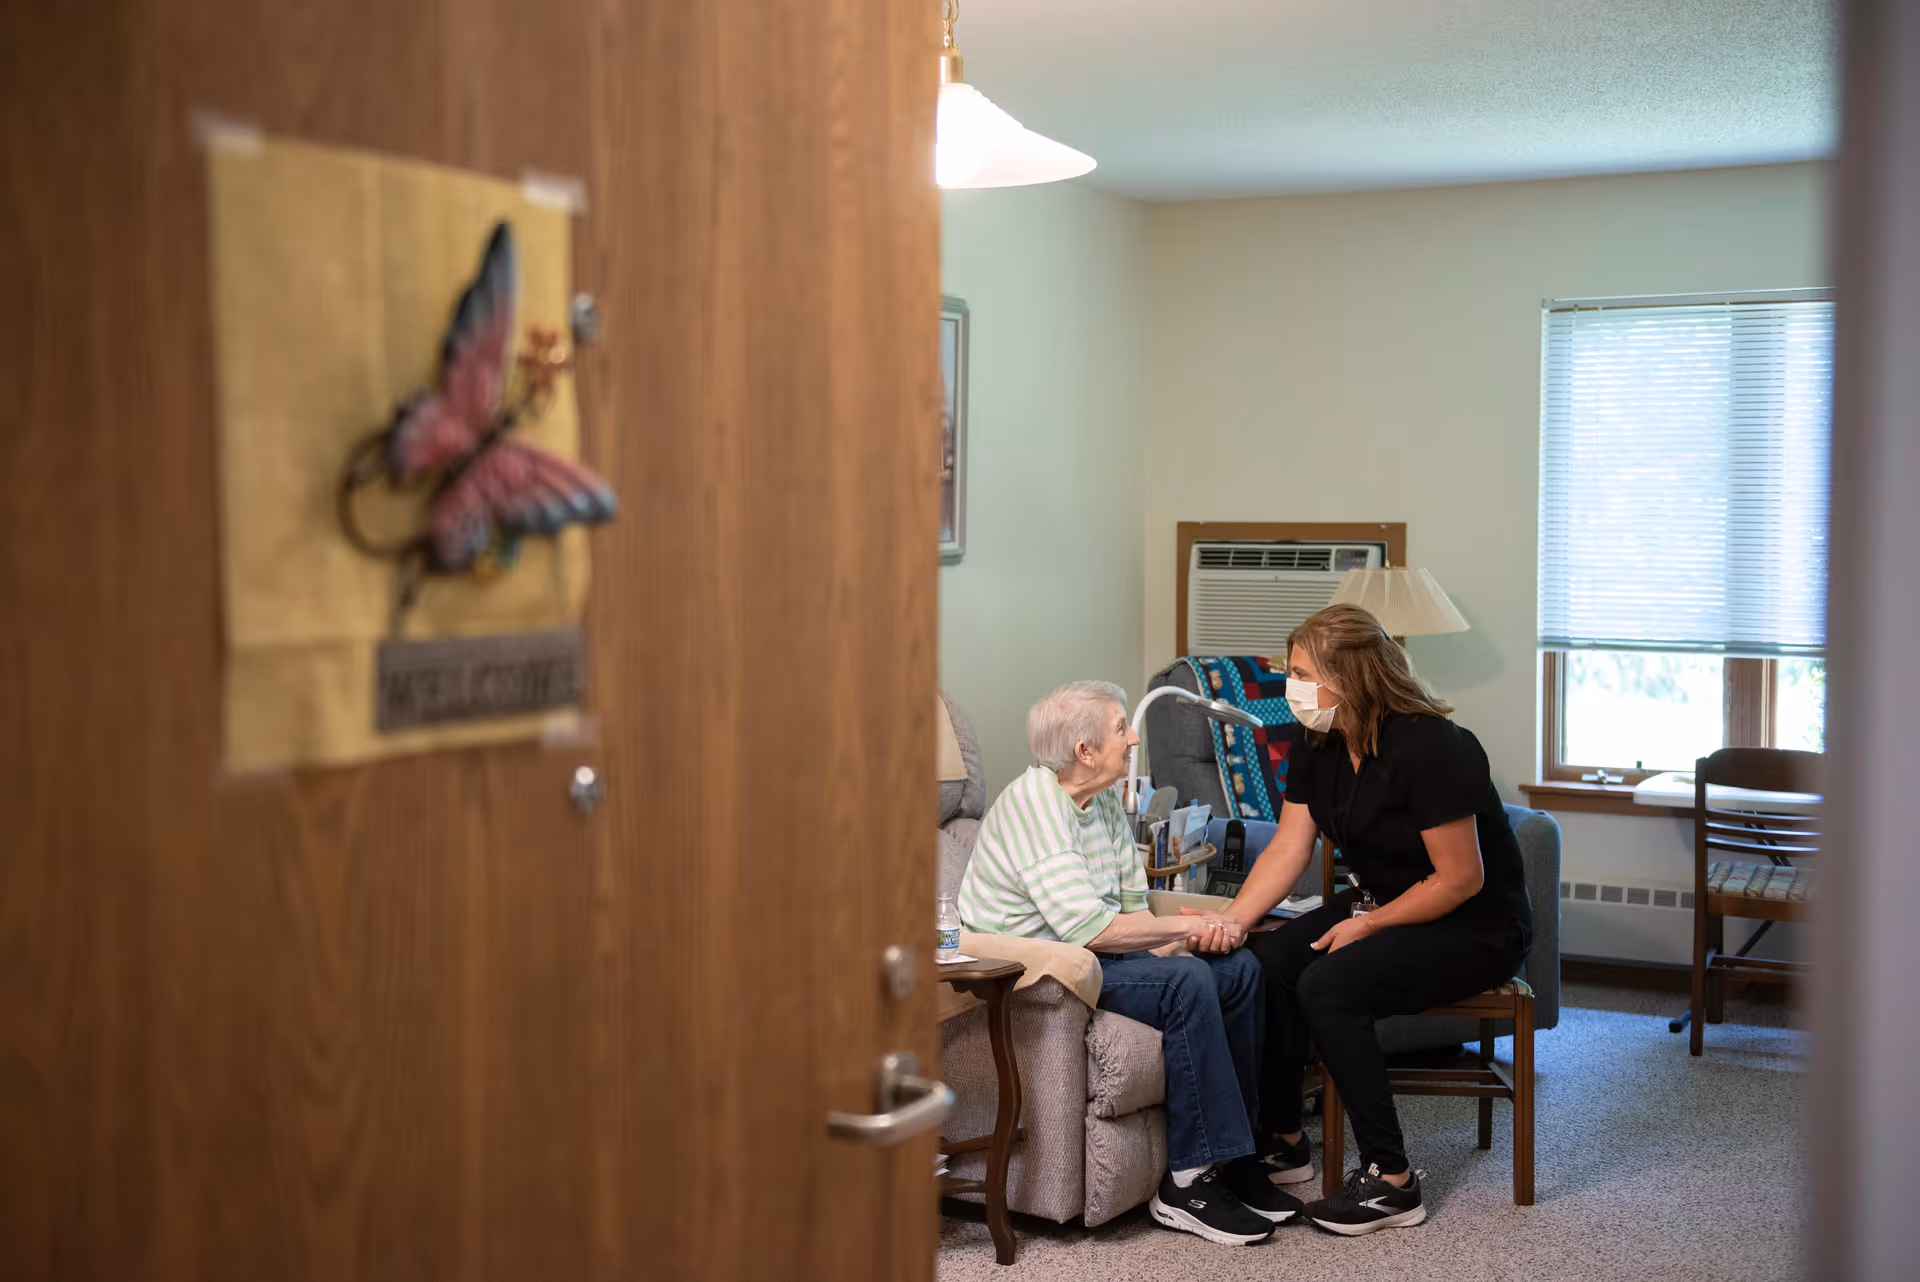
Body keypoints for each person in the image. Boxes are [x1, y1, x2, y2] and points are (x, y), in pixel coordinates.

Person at [1204, 605, 1532, 1235]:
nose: (1290, 687)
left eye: (1302, 673)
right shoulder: (1320, 740)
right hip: (1384, 905)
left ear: (1349, 675)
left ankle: (1392, 1182)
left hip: (1474, 926)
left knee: (1330, 985)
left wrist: (1368, 927)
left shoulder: (1432, 745)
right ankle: (1284, 1136)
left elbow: (1462, 879)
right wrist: (1234, 920)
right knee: (1269, 962)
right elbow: (1290, 845)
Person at [958, 680, 1301, 1246]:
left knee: (1237, 969)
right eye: (1121, 728)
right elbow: (1088, 929)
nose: (1133, 736)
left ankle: (1236, 1159)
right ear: (1084, 752)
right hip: (1044, 975)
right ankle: (1188, 1184)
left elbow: (1130, 907)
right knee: (1187, 981)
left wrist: (1184, 939)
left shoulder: (1104, 802)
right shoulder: (1036, 803)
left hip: (1096, 956)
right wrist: (1187, 927)